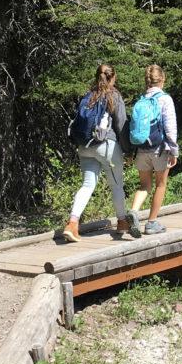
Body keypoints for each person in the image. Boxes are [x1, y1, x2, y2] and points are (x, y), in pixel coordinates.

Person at [63, 64, 131, 241]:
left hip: (85, 146)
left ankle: (72, 223)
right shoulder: (113, 95)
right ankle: (122, 222)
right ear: (113, 78)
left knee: (87, 185)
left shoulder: (88, 96)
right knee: (116, 184)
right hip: (106, 145)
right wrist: (128, 150)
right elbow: (122, 125)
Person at [128, 64, 178, 237]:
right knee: (160, 184)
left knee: (144, 185)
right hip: (160, 149)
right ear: (162, 79)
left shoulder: (141, 100)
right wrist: (174, 150)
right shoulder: (165, 99)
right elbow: (170, 128)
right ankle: (151, 223)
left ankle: (134, 211)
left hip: (141, 149)